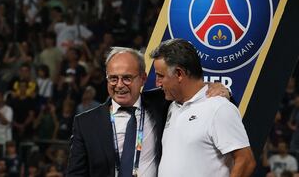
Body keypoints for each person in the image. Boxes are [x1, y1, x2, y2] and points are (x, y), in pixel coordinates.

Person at [67, 46, 229, 177]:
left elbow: (190, 88)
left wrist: (216, 87)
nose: (119, 85)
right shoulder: (85, 122)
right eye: (113, 78)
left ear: (143, 79)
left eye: (127, 78)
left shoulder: (162, 102)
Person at [149, 38, 256, 177]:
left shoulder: (219, 108)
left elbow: (246, 161)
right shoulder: (171, 106)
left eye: (160, 76)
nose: (157, 83)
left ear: (179, 74)